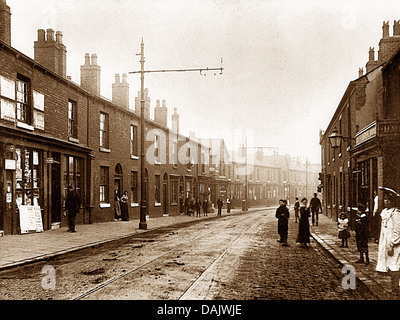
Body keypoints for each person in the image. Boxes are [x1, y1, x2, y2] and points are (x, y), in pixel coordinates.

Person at [376, 189, 400, 299]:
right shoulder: (385, 212)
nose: (386, 201)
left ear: (393, 201)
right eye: (385, 199)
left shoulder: (396, 214)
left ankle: (396, 290)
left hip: (394, 245)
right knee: (389, 265)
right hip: (386, 242)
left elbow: (397, 230)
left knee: (394, 265)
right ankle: (394, 289)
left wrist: (392, 244)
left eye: (388, 200)